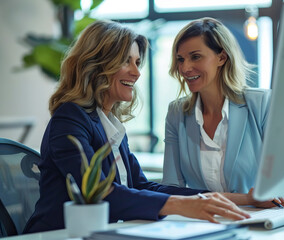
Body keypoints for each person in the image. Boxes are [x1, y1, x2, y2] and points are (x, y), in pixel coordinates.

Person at [23, 20, 254, 234]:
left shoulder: (109, 124)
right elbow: (99, 194)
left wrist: (244, 199)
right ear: (97, 64)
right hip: (57, 235)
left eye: (137, 62)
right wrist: (182, 205)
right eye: (126, 61)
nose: (136, 72)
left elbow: (142, 186)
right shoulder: (70, 118)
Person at [161, 17, 284, 206]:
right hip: (203, 226)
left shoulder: (262, 104)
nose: (184, 68)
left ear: (222, 57)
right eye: (180, 59)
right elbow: (172, 190)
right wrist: (246, 199)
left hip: (260, 224)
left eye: (195, 57)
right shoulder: (177, 113)